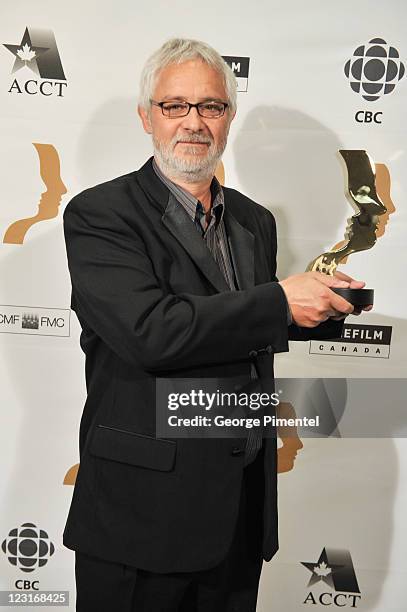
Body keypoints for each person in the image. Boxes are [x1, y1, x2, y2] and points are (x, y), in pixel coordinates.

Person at [62, 38, 370, 612]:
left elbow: (240, 328)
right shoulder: (99, 214)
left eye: (211, 106)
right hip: (142, 518)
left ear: (229, 118)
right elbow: (149, 332)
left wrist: (316, 309)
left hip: (239, 511)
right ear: (146, 117)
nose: (194, 123)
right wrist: (280, 302)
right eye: (175, 106)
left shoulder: (254, 219)